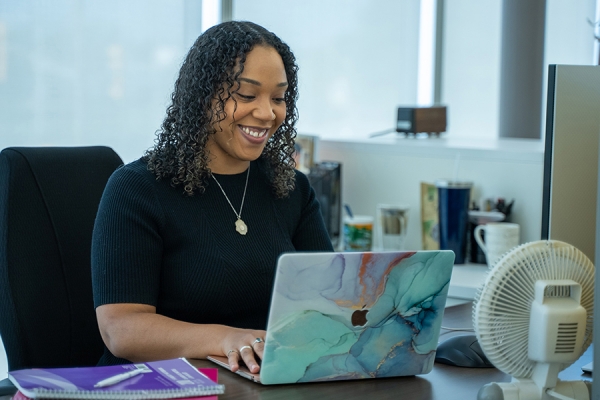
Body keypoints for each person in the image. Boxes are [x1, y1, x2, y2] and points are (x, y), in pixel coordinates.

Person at [91, 21, 333, 374]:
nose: (267, 113)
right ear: (203, 97)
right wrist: (225, 339)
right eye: (247, 95)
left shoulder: (291, 188)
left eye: (278, 98)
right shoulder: (137, 189)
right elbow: (122, 329)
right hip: (161, 384)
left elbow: (326, 301)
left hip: (261, 380)